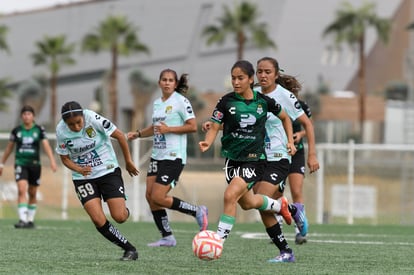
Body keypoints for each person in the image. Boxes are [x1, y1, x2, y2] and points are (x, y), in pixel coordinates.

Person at [198, 60, 296, 261]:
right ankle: (280, 208)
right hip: (232, 161)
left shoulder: (263, 102)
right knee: (248, 202)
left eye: (240, 78)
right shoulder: (226, 101)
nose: (236, 82)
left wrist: (290, 143)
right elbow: (215, 124)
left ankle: (218, 242)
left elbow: (285, 117)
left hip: (254, 160)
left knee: (229, 195)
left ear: (251, 80)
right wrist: (207, 142)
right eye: (233, 78)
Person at [127, 69, 208, 247]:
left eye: (171, 80)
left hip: (174, 156)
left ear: (175, 83)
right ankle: (167, 237)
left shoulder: (181, 101)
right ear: (159, 83)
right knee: (149, 196)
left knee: (158, 196)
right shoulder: (157, 103)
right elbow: (156, 127)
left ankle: (197, 211)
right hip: (157, 156)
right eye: (164, 79)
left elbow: (193, 126)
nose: (167, 83)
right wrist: (139, 133)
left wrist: (169, 129)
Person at [55, 101, 139, 261]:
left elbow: (120, 135)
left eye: (78, 122)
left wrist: (128, 161)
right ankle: (129, 249)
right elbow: (65, 159)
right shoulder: (61, 131)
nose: (76, 127)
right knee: (98, 219)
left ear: (83, 117)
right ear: (65, 123)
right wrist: (79, 169)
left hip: (107, 170)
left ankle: (124, 210)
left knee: (120, 217)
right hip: (83, 178)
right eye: (71, 125)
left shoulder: (93, 119)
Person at [254, 57, 319, 249]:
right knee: (264, 196)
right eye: (260, 71)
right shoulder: (254, 94)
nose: (263, 75)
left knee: (292, 191)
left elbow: (308, 124)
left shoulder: (287, 98)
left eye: (267, 72)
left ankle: (296, 227)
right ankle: (287, 213)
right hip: (260, 156)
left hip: (285, 154)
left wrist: (312, 154)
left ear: (276, 75)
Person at [0, 105, 57, 229]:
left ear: (33, 116)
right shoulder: (16, 131)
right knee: (21, 189)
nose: (27, 116)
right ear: (22, 116)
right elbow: (9, 148)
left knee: (32, 192)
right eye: (24, 114)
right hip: (21, 163)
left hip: (35, 165)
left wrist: (52, 160)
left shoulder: (39, 130)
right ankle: (22, 219)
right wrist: (2, 163)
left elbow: (46, 145)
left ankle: (30, 220)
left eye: (29, 114)